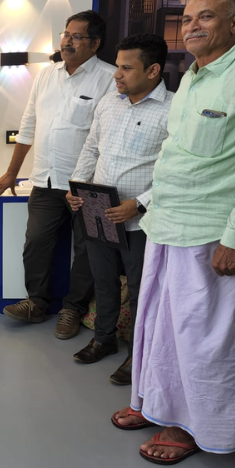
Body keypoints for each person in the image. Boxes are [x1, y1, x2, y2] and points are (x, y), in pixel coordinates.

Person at [112, 0, 235, 465]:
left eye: (206, 16)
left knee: (202, 338)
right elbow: (177, 157)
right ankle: (155, 404)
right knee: (158, 328)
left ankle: (198, 426)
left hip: (210, 232)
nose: (192, 25)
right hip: (165, 225)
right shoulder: (191, 78)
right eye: (187, 18)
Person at [0, 10, 116, 340]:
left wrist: (91, 183)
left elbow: (110, 134)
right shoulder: (46, 75)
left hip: (90, 186)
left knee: (89, 252)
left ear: (95, 43)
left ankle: (73, 309)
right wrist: (11, 174)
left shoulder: (109, 78)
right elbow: (28, 126)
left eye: (77, 36)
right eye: (65, 35)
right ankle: (36, 303)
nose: (67, 41)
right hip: (45, 180)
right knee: (35, 243)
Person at [66, 34, 173, 385]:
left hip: (141, 220)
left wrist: (140, 204)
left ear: (153, 71)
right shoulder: (109, 103)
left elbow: (175, 172)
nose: (117, 74)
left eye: (127, 68)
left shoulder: (173, 110)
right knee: (104, 281)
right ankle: (104, 339)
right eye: (117, 66)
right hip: (98, 211)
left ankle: (137, 355)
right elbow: (91, 149)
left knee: (142, 288)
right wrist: (76, 187)